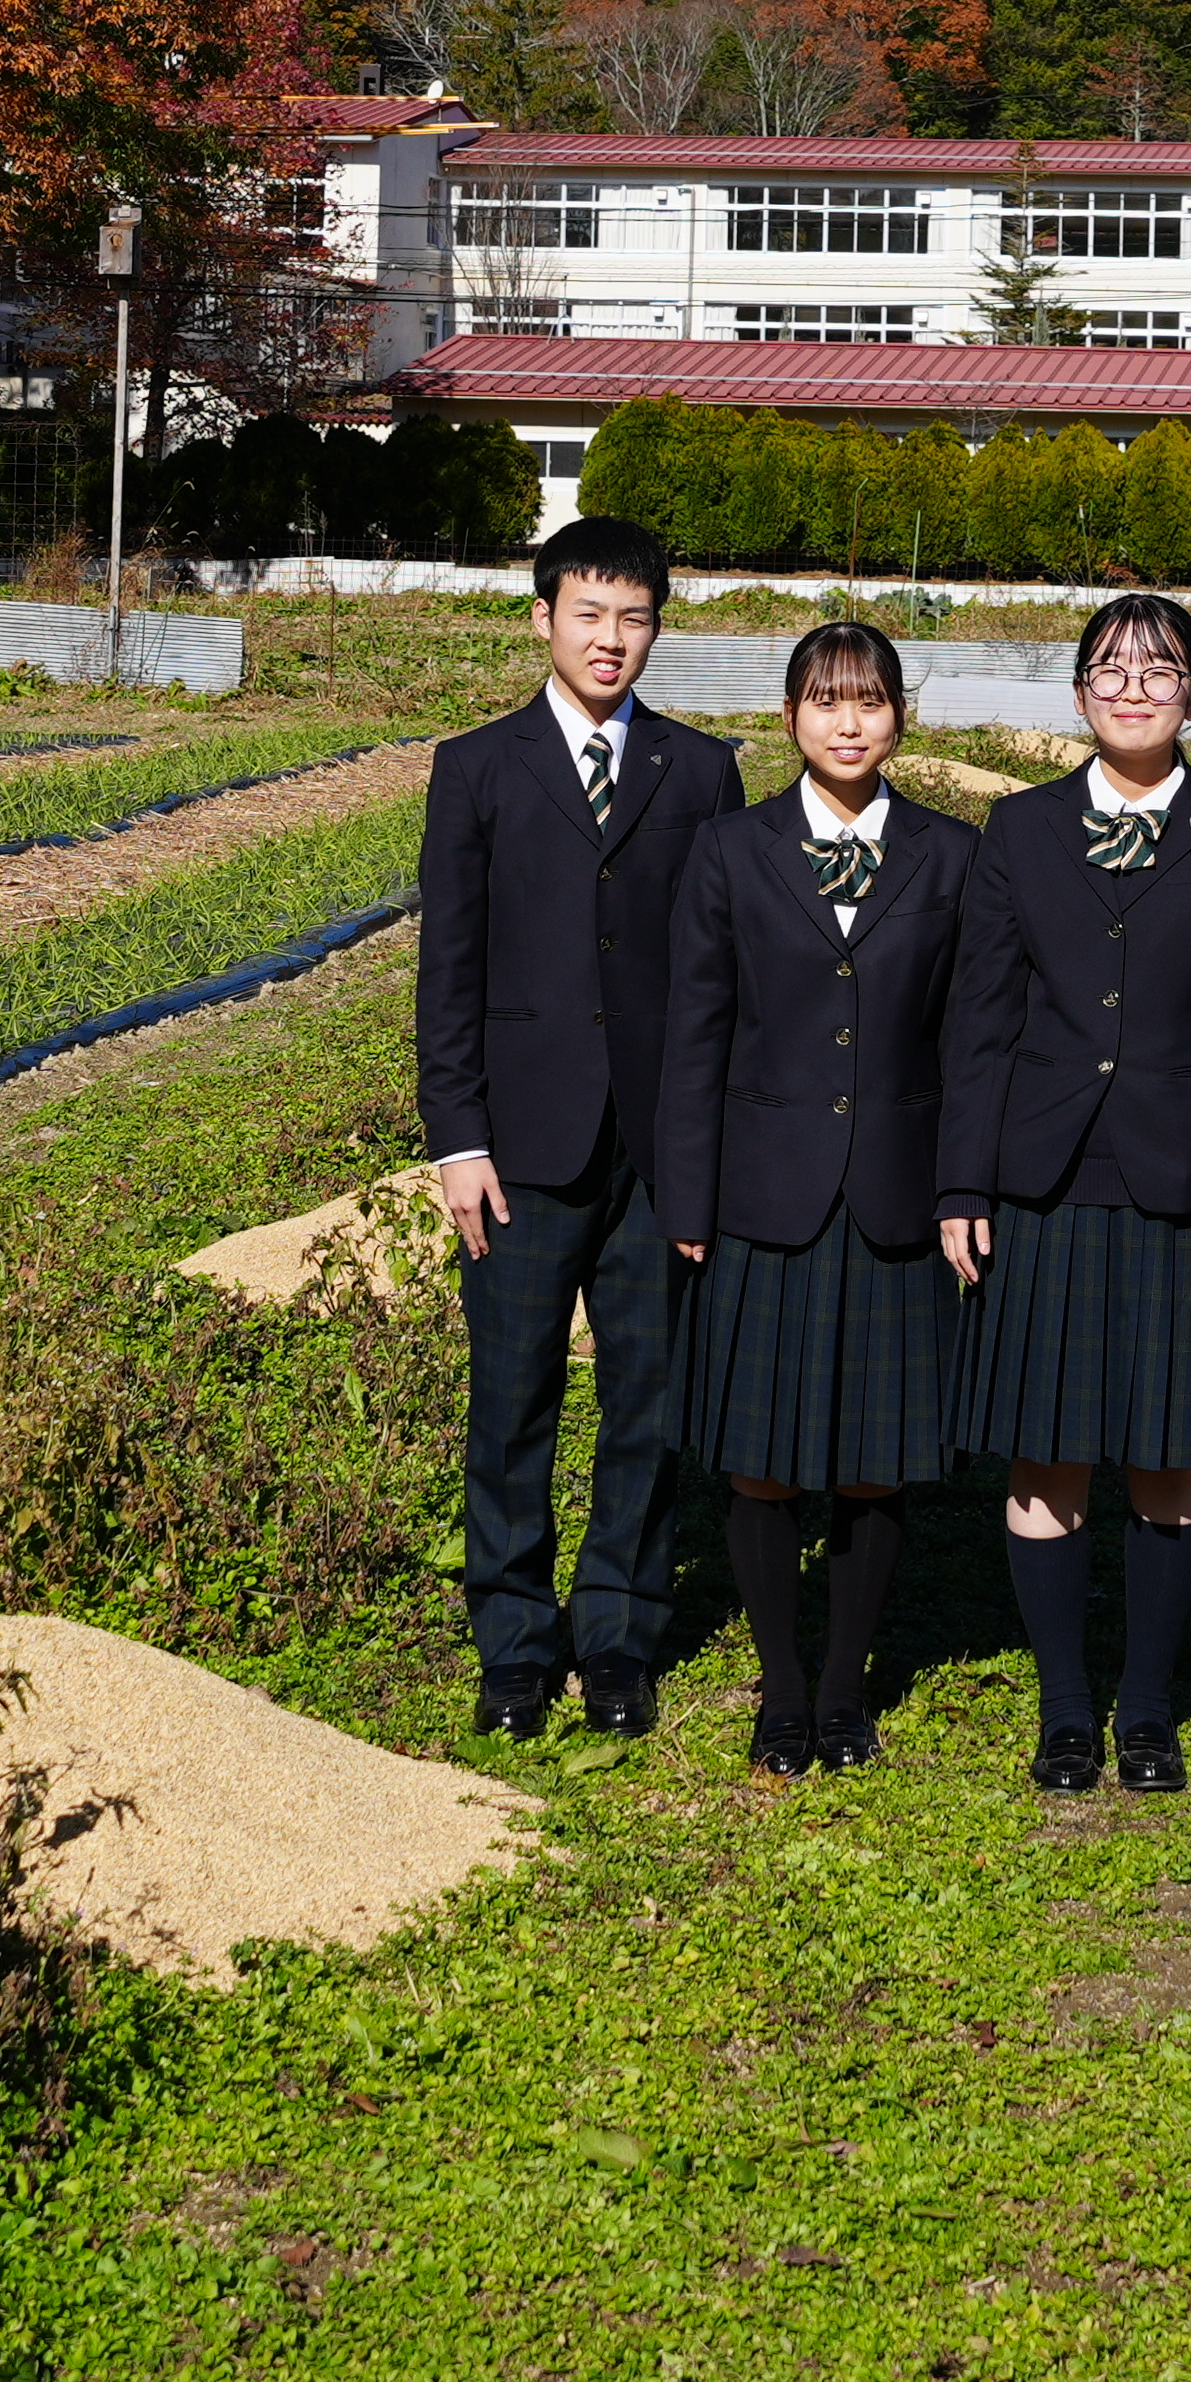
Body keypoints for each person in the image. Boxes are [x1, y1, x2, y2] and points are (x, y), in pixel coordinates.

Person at [937, 590, 1191, 1795]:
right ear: (1078, 691)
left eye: (1159, 670)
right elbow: (978, 1021)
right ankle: (1066, 1708)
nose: (1134, 688)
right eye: (1111, 669)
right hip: (1042, 1178)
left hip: (1184, 1180)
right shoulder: (1019, 829)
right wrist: (962, 1181)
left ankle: (1149, 1708)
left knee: (1170, 1455)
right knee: (1045, 1456)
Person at [413, 512, 740, 1738]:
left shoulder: (700, 771)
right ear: (543, 618)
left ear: (659, 626)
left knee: (647, 1400)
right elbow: (450, 971)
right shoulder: (479, 769)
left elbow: (723, 974)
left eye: (635, 616)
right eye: (589, 614)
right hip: (521, 1150)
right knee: (513, 1396)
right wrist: (459, 1139)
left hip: (659, 1153)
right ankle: (512, 1635)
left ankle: (616, 1632)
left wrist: (711, 1153)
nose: (612, 640)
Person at [655, 618, 977, 1778]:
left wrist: (962, 1185)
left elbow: (972, 1039)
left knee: (876, 1457)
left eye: (872, 700)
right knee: (763, 1457)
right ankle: (779, 1690)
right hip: (762, 1194)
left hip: (895, 1195)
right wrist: (687, 1193)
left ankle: (846, 1690)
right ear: (789, 716)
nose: (850, 722)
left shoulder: (950, 855)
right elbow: (694, 1035)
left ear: (901, 716)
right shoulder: (730, 850)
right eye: (827, 700)